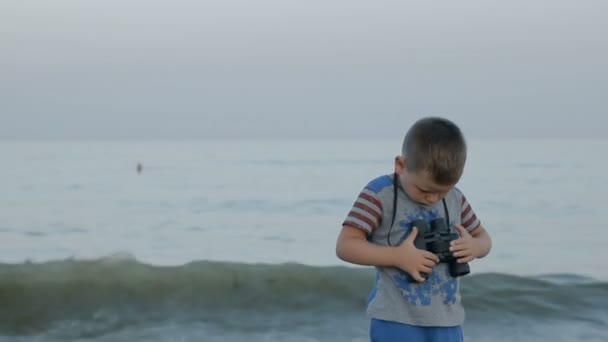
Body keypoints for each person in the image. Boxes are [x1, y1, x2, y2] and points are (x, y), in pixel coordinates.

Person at [336, 117, 492, 342]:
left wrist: (475, 247)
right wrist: (398, 256)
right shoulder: (380, 194)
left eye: (443, 191)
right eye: (423, 190)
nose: (433, 198)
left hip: (448, 319)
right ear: (401, 165)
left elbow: (483, 237)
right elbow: (346, 245)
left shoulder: (456, 198)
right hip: (395, 318)